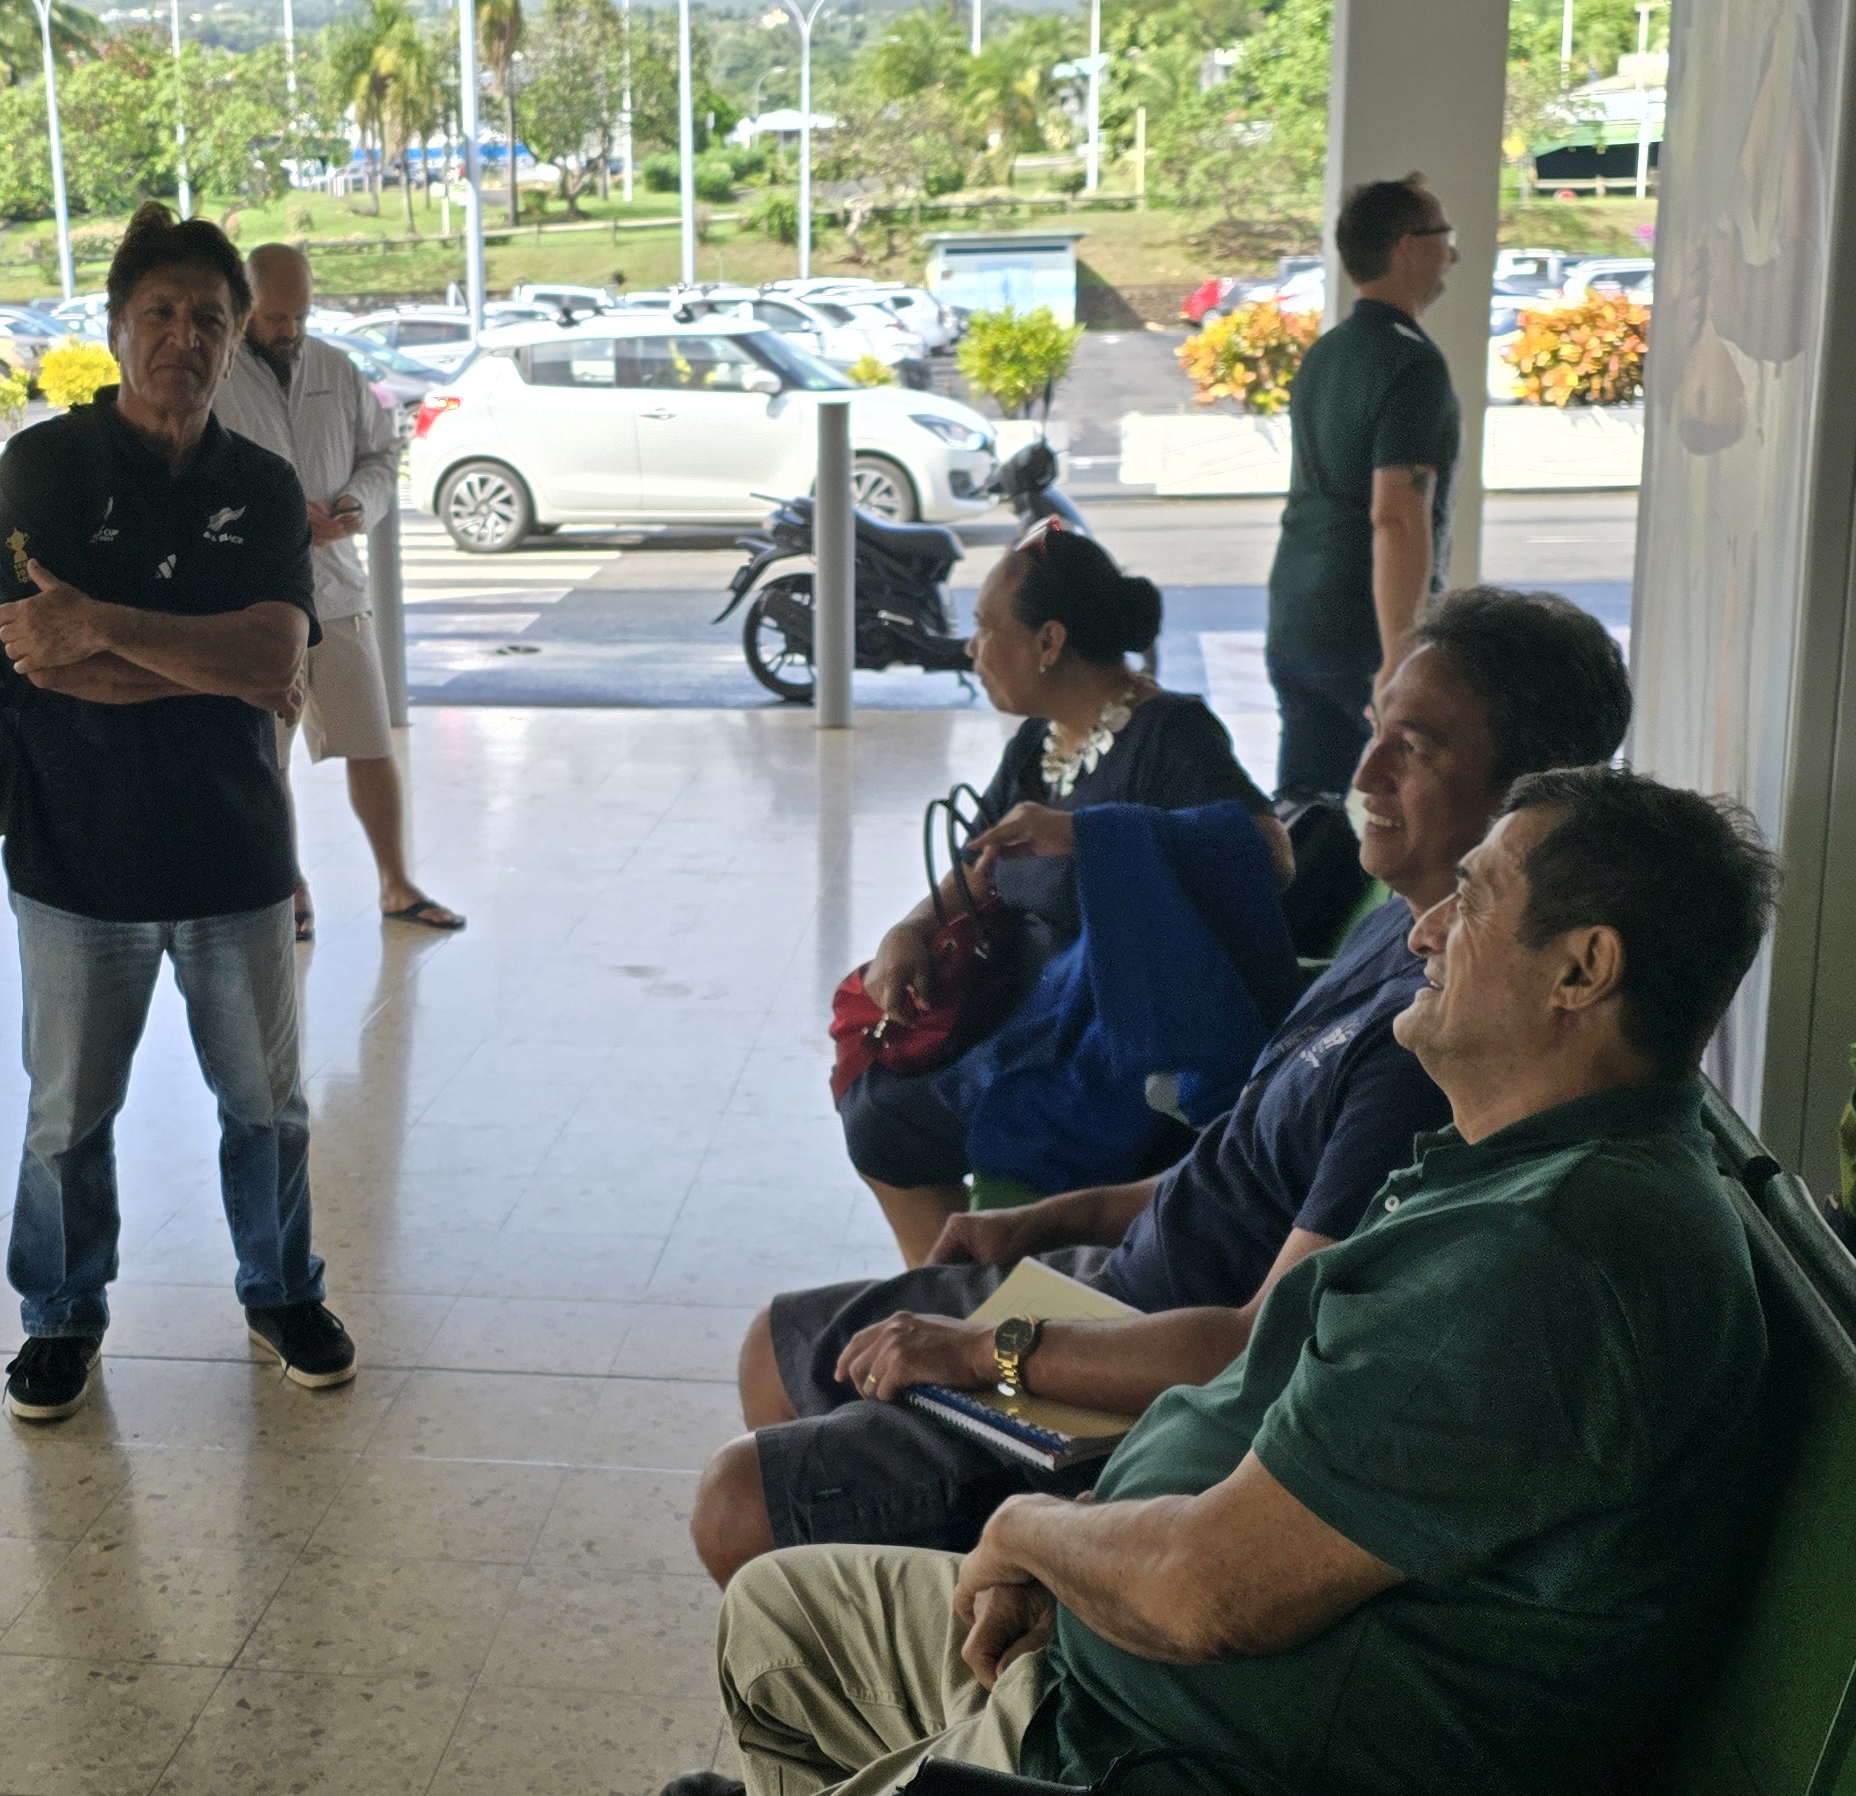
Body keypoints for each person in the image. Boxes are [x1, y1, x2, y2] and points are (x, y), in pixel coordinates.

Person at [684, 764, 1784, 1796]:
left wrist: (1028, 1530)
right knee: (778, 1615)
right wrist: (1077, 1552)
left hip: (1154, 1748)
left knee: (771, 1565)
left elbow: (1204, 1594)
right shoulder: (1522, 1166)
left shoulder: (1543, 1261)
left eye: (1474, 901)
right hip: (1110, 1652)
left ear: (1580, 969)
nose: (1426, 931)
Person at [701, 589, 1633, 1584]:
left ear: (1522, 801)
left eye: (1417, 746)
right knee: (777, 1348)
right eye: (1372, 731)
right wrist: (1050, 1220)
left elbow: (1252, 1351)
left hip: (1142, 1377)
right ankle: (852, 1590)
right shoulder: (1390, 929)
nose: (1363, 773)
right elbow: (1241, 1163)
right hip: (1115, 1289)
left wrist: (986, 1353)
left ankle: (881, 1620)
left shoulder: (1429, 1044)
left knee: (737, 1505)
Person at [0, 202, 355, 1421]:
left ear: (238, 336)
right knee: (66, 1117)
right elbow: (36, 658)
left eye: (208, 317)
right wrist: (204, 655)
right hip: (73, 858)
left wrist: (105, 624)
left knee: (266, 1107)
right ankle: (60, 1313)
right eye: (159, 313)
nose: (182, 337)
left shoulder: (262, 478)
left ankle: (280, 1288)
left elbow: (275, 659)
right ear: (115, 327)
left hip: (234, 853)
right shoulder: (44, 466)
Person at [839, 527, 1274, 1260]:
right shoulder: (1040, 742)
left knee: (891, 1119)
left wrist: (1087, 833)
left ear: (1048, 641)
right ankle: (953, 1287)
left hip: (1122, 1038)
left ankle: (963, 1294)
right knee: (878, 1087)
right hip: (1031, 1011)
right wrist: (909, 934)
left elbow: (1268, 851)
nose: (971, 648)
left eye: (984, 628)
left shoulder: (1169, 732)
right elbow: (973, 873)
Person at [209, 240, 462, 938]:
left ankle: (396, 884)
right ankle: (287, 891)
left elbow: (381, 453)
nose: (289, 330)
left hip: (339, 594)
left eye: (300, 316)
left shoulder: (336, 370)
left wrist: (359, 503)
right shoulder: (216, 376)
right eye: (275, 316)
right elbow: (202, 477)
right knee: (268, 757)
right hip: (254, 604)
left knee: (372, 744)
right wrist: (282, 518)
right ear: (245, 306)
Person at [1263, 174, 1463, 801]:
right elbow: (1396, 516)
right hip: (1362, 631)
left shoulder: (1326, 353)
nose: (1451, 254)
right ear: (1408, 246)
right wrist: (1399, 652)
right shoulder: (1411, 363)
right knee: (1423, 819)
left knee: (1309, 822)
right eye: (1443, 237)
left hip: (1295, 616)